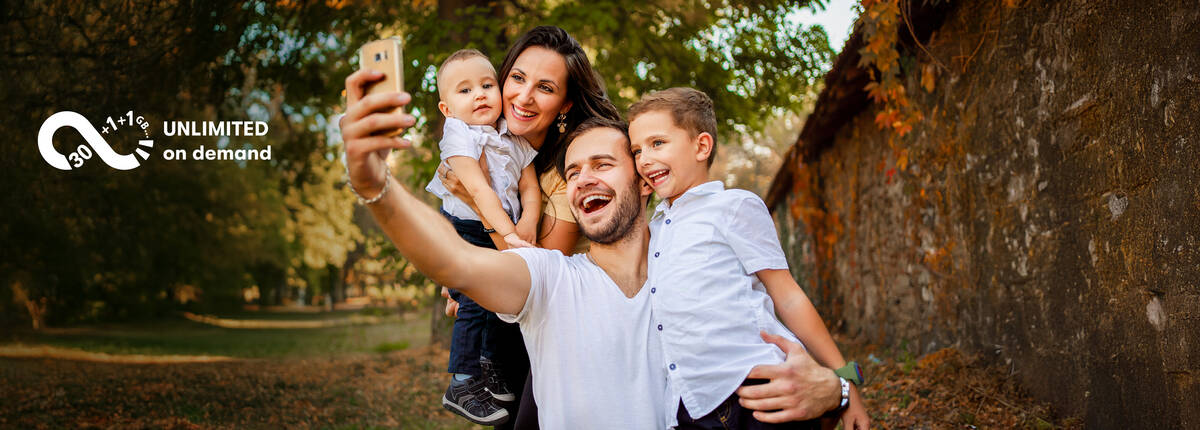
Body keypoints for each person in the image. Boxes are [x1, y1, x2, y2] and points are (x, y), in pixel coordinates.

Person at [625, 88, 870, 429]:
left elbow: (787, 295)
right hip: (691, 404)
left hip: (759, 390)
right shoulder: (653, 230)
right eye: (637, 151)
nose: (644, 160)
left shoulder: (733, 206)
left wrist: (844, 380)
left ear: (701, 146)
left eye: (657, 143)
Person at [423, 48, 541, 426]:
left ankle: (490, 365)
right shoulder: (459, 135)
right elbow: (478, 189)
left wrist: (528, 223)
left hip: (501, 226)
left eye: (487, 85)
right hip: (466, 227)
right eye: (465, 90)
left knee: (496, 300)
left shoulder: (510, 134)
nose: (479, 95)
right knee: (475, 302)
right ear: (447, 109)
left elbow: (530, 186)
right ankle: (461, 381)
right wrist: (508, 233)